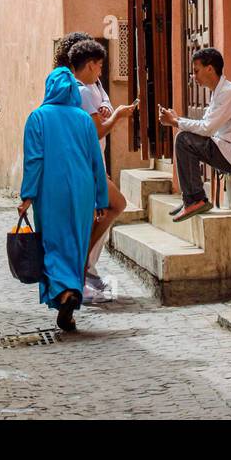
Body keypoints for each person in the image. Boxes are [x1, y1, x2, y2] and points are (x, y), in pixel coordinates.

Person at [19, 65, 109, 332]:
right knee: (76, 244)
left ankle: (64, 292)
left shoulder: (37, 118)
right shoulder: (83, 118)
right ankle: (70, 298)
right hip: (82, 192)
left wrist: (27, 195)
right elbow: (96, 161)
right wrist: (101, 199)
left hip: (50, 190)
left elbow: (34, 160)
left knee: (53, 243)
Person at [59, 35, 137, 303]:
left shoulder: (86, 87)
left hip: (87, 162)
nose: (102, 71)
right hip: (87, 163)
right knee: (115, 205)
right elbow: (95, 131)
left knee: (103, 211)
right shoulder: (80, 90)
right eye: (100, 66)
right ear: (91, 64)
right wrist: (118, 116)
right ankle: (80, 266)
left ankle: (82, 269)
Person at [158, 46, 231, 222]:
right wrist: (178, 120)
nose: (194, 76)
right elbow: (205, 125)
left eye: (196, 71)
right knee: (184, 138)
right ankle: (190, 198)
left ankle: (195, 198)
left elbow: (207, 128)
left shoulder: (230, 92)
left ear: (210, 68)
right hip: (223, 148)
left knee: (183, 139)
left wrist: (176, 122)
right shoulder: (218, 93)